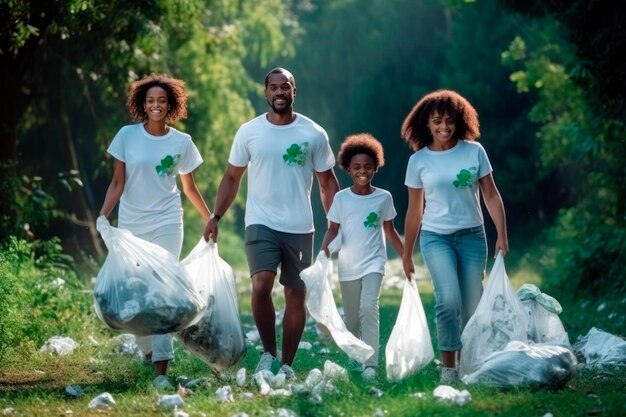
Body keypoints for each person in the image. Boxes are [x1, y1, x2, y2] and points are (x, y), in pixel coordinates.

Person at [203, 67, 339, 380]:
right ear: (265, 93)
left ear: (295, 91)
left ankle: (287, 365)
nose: (279, 92)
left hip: (300, 226)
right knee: (261, 282)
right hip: (260, 222)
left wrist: (336, 221)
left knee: (295, 295)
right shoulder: (249, 131)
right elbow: (232, 177)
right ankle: (268, 353)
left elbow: (327, 182)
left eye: (285, 87)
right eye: (273, 88)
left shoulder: (313, 134)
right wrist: (216, 215)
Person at [99, 74, 211, 389]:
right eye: (150, 101)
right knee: (136, 292)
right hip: (133, 223)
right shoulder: (126, 136)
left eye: (162, 100)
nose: (156, 105)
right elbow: (118, 182)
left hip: (166, 222)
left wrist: (209, 219)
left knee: (162, 293)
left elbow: (189, 188)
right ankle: (148, 351)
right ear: (142, 105)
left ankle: (162, 371)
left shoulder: (182, 143)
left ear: (170, 104)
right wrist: (103, 215)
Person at [400, 89, 508, 384]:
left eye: (449, 121)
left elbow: (491, 195)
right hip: (436, 238)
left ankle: (470, 362)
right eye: (437, 121)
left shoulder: (474, 151)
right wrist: (407, 253)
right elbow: (414, 212)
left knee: (472, 303)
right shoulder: (418, 161)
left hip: (473, 236)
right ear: (427, 123)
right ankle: (449, 367)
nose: (443, 127)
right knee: (448, 299)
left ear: (458, 121)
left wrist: (502, 235)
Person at [320, 133, 404, 381]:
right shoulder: (341, 198)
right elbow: (333, 229)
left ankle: (370, 365)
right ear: (348, 168)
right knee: (352, 318)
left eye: (368, 166)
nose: (363, 171)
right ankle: (355, 358)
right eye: (357, 167)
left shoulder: (384, 197)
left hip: (374, 263)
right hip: (347, 266)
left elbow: (390, 230)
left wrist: (405, 257)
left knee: (369, 307)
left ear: (376, 167)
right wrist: (324, 252)